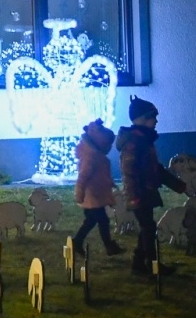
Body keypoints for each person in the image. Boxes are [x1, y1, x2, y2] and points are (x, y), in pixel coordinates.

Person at [116, 96, 187, 276]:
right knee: (148, 228)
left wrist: (178, 185)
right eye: (152, 117)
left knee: (147, 227)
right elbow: (130, 173)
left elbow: (154, 169)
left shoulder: (143, 140)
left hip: (144, 192)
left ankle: (139, 265)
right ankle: (152, 266)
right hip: (139, 193)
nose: (156, 121)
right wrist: (136, 196)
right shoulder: (134, 143)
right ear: (142, 119)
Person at [72, 118, 123, 257]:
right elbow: (83, 176)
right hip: (92, 196)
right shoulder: (91, 157)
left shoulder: (96, 156)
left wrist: (110, 183)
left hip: (95, 194)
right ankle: (108, 246)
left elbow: (101, 175)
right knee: (101, 220)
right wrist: (80, 191)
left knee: (92, 221)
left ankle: (77, 242)